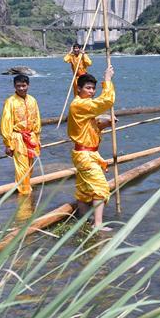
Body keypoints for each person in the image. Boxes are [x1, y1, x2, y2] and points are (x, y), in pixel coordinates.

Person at [68, 65, 116, 228]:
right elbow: (106, 101)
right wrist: (107, 80)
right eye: (88, 88)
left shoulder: (84, 106)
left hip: (86, 153)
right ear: (79, 88)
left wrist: (105, 124)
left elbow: (90, 129)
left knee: (84, 190)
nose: (91, 91)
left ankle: (83, 220)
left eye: (93, 88)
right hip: (85, 155)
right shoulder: (79, 105)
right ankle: (98, 224)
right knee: (101, 188)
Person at [0, 73, 41, 196]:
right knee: (22, 168)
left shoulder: (33, 100)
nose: (21, 88)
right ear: (14, 86)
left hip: (31, 137)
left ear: (28, 85)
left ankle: (26, 189)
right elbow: (6, 123)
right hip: (18, 138)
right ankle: (25, 195)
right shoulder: (10, 102)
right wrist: (8, 144)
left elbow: (37, 120)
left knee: (30, 167)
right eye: (18, 86)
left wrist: (37, 138)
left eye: (24, 85)